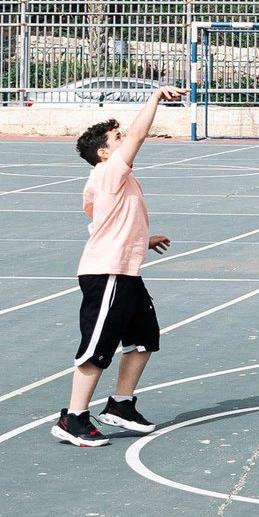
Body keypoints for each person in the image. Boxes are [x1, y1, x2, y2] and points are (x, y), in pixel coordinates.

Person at [54, 87, 183, 446]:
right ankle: (74, 418)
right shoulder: (109, 171)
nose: (125, 139)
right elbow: (140, 134)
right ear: (103, 152)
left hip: (126, 270)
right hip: (106, 272)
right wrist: (155, 98)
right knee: (98, 348)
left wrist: (144, 240)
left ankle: (121, 405)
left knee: (144, 339)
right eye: (117, 138)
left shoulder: (115, 181)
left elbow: (108, 223)